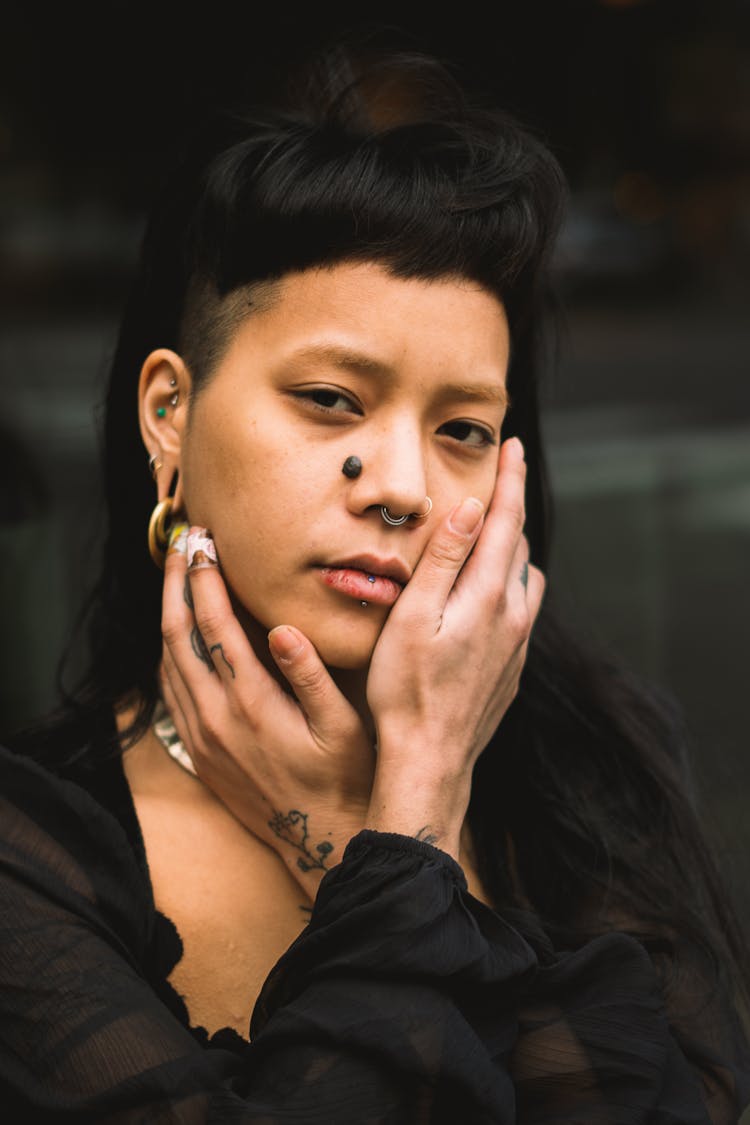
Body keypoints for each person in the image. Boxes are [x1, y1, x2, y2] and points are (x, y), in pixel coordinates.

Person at [1, 39, 748, 1123]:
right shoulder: (32, 862)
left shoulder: (594, 766)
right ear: (170, 411)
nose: (400, 487)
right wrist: (402, 858)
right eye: (331, 401)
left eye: (463, 429)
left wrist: (384, 828)